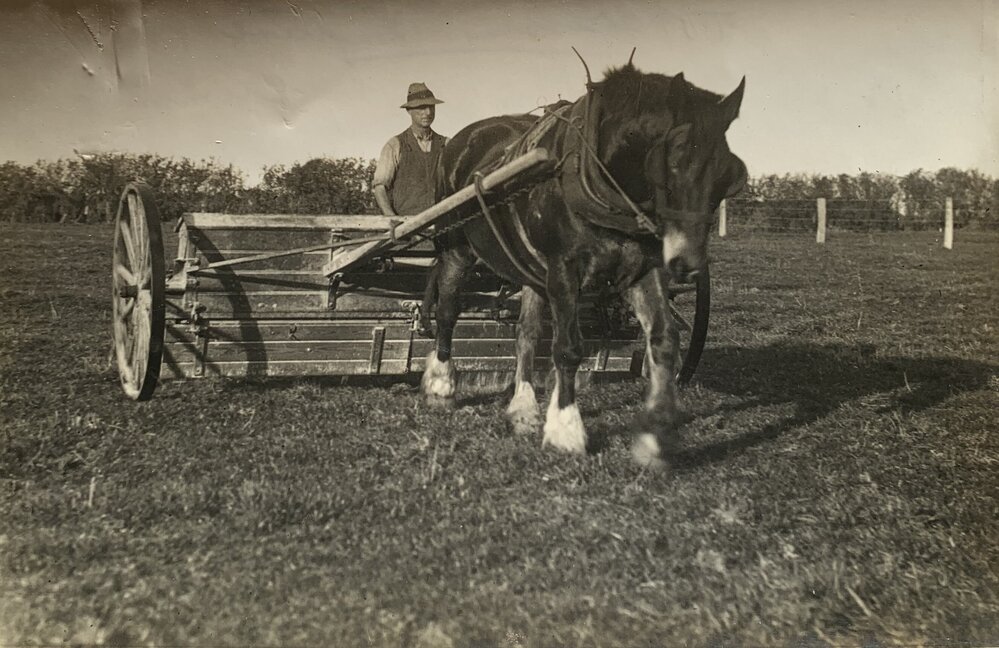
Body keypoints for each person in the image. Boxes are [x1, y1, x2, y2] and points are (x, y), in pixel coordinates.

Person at [372, 82, 449, 217]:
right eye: (421, 107)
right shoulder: (395, 145)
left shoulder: (447, 144)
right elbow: (380, 187)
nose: (428, 112)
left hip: (441, 225)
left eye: (431, 107)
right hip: (407, 228)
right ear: (409, 110)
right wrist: (392, 219)